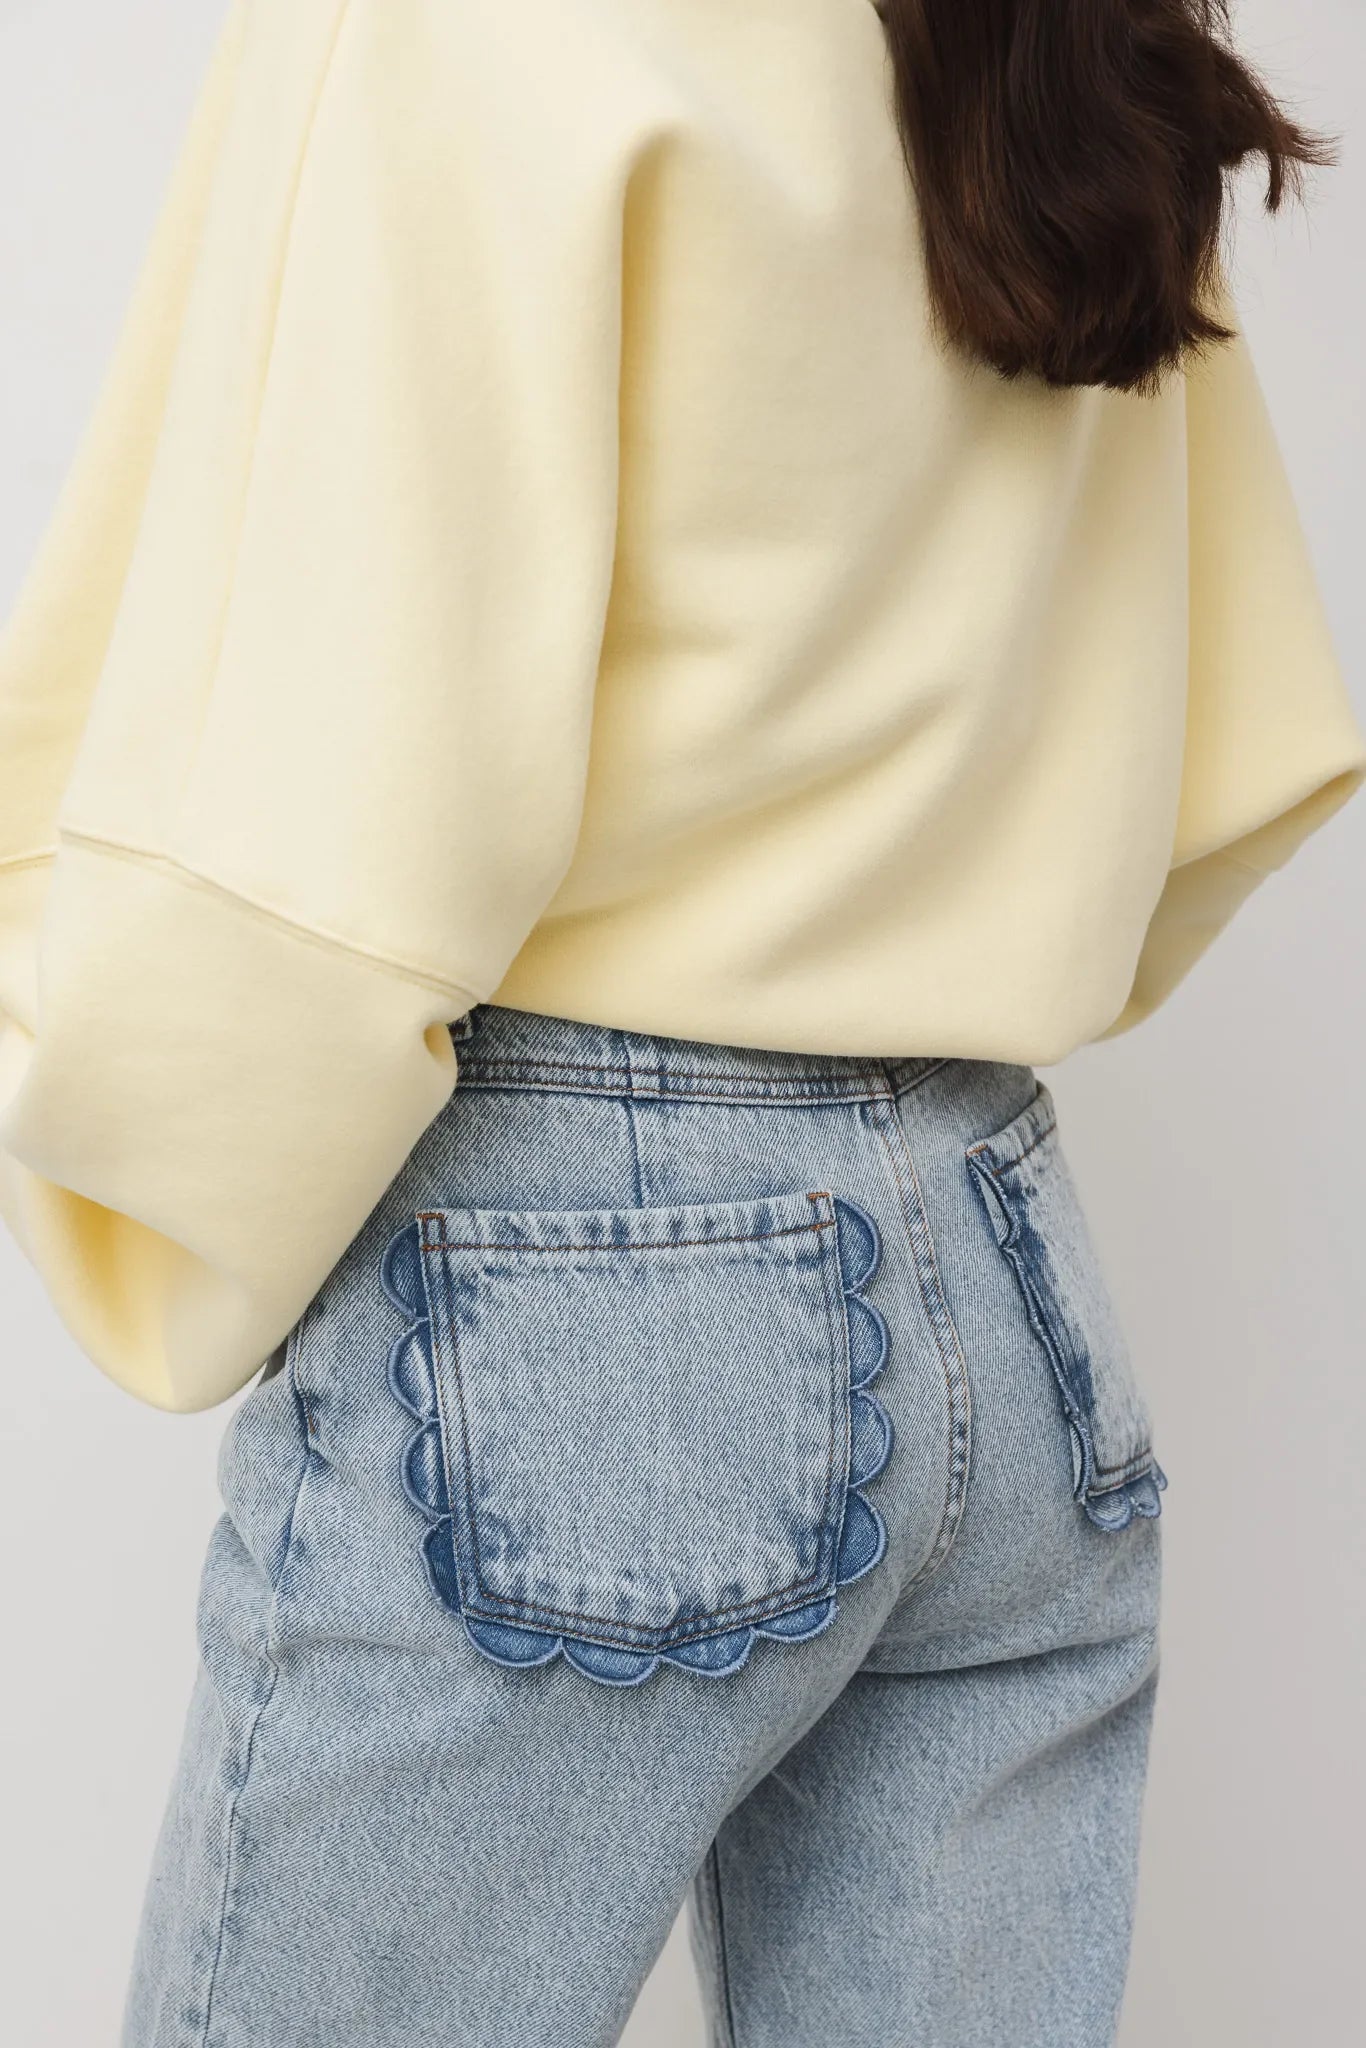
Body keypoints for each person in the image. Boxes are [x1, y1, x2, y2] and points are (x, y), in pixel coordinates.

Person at [1, 2, 1360, 2043]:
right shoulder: (1072, 29)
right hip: (1009, 1280)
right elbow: (1233, 743)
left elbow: (319, 817)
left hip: (576, 1284)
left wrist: (143, 1182)